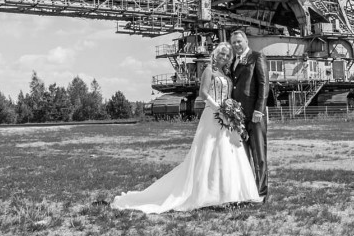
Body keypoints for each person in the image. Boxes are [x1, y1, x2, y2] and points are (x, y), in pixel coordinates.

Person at [111, 42, 261, 213]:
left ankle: (232, 194)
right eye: (222, 54)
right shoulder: (209, 70)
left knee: (230, 152)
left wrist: (231, 111)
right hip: (213, 115)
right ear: (216, 54)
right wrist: (220, 110)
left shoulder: (225, 73)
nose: (224, 57)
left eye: (227, 55)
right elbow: (203, 94)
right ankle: (210, 195)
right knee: (210, 153)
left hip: (227, 115)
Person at [229, 29, 269, 202]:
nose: (236, 45)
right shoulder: (233, 62)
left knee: (259, 154)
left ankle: (261, 193)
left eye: (239, 41)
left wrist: (259, 110)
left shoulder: (256, 57)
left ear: (246, 41)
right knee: (243, 156)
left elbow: (263, 83)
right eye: (234, 42)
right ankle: (248, 191)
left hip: (255, 115)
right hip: (239, 116)